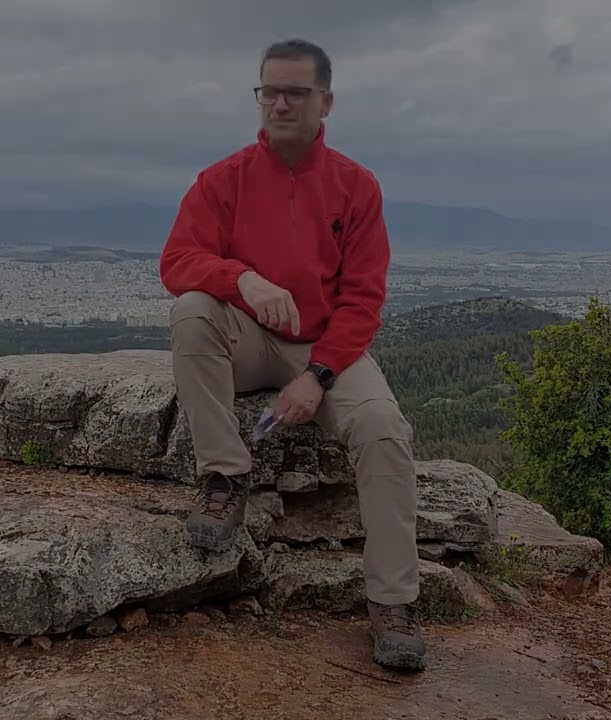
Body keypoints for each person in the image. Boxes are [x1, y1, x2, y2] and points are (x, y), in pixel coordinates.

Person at [158, 38, 426, 671]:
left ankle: (392, 603)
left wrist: (318, 375)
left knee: (384, 430)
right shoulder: (222, 181)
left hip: (328, 345)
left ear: (325, 101)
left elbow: (362, 301)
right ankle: (225, 476)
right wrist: (241, 279)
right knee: (192, 311)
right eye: (268, 91)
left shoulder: (355, 188)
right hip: (247, 334)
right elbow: (177, 263)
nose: (279, 103)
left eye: (295, 92)